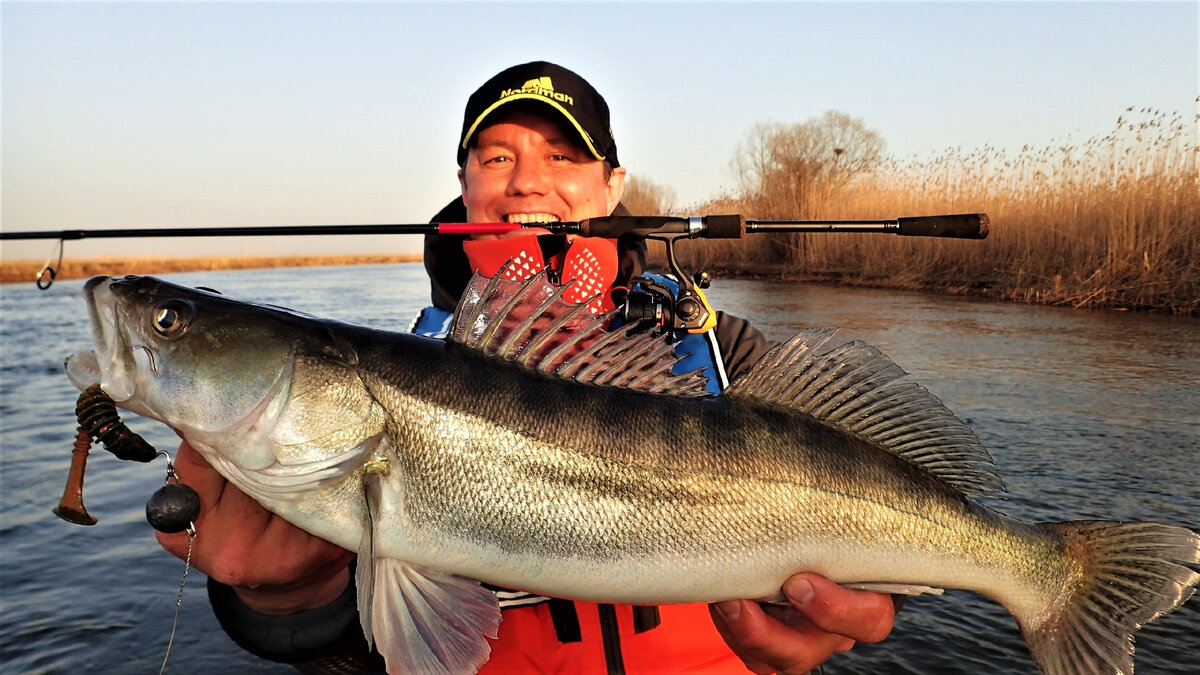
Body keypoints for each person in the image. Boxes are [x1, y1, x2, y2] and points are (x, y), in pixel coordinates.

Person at [157, 61, 896, 674]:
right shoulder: (396, 376)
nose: (527, 183)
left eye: (565, 156)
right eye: (498, 157)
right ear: (464, 182)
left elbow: (891, 513)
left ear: (612, 185)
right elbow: (379, 643)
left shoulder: (730, 359)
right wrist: (290, 605)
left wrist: (842, 612)